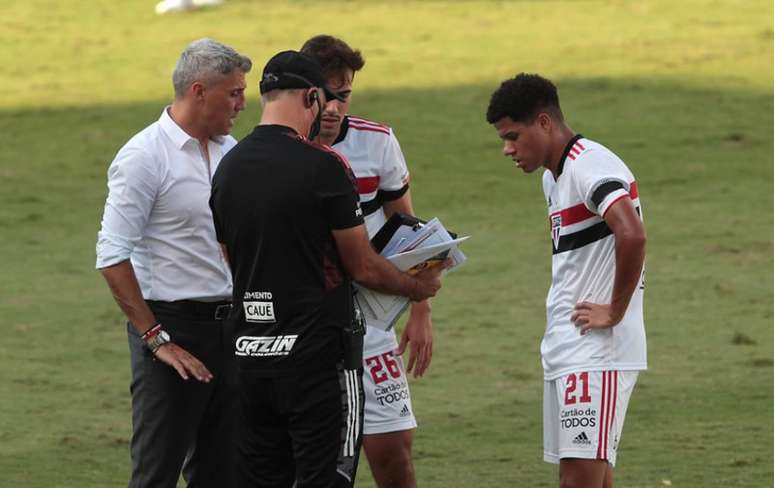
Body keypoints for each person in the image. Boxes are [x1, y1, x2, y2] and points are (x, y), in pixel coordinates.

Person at [209, 50, 447, 488]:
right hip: (317, 360)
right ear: (312, 98)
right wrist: (416, 289)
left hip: (250, 358)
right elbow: (362, 266)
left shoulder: (228, 167)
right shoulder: (326, 166)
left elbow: (232, 258)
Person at [95, 38, 250, 488]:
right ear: (199, 91)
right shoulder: (144, 157)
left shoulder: (229, 150)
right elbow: (111, 255)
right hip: (174, 327)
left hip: (233, 329)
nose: (243, 103)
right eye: (234, 93)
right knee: (156, 473)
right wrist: (155, 339)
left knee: (224, 472)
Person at [486, 73, 647, 488]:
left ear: (544, 123)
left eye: (513, 136)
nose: (507, 149)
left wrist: (614, 310)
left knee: (578, 479)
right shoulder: (552, 177)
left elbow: (632, 233)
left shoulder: (590, 164)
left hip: (597, 354)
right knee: (590, 477)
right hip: (566, 348)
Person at [301, 34, 429, 488]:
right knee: (309, 458)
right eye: (326, 95)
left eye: (345, 94)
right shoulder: (278, 151)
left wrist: (421, 310)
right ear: (304, 92)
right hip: (306, 326)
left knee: (393, 448)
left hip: (372, 323)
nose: (335, 107)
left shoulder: (377, 142)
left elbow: (411, 233)